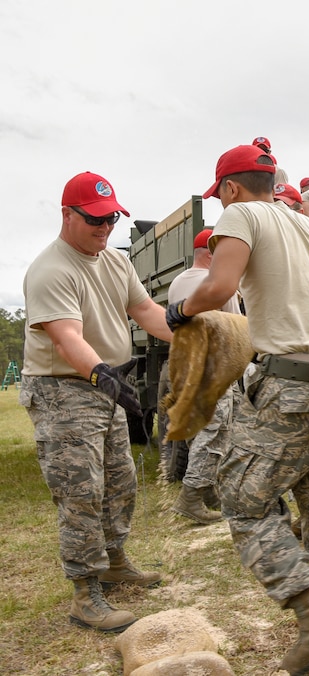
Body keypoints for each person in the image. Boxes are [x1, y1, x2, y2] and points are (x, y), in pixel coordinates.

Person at [167, 144, 309, 675]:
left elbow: (220, 285)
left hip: (293, 384)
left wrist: (179, 311)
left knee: (241, 499)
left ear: (230, 189)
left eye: (220, 196)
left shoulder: (240, 214)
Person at [21, 171, 172, 633]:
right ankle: (85, 593)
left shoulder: (115, 261)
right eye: (95, 220)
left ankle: (114, 561)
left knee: (120, 481)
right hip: (63, 389)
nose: (105, 228)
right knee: (81, 491)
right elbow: (66, 338)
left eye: (111, 218)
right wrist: (102, 374)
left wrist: (192, 337)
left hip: (102, 385)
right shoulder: (51, 270)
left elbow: (145, 311)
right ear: (67, 215)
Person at [165, 228, 242, 525]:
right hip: (213, 368)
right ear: (211, 254)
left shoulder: (177, 283)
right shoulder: (219, 284)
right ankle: (192, 495)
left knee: (200, 429)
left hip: (184, 364)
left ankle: (209, 491)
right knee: (216, 429)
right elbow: (237, 326)